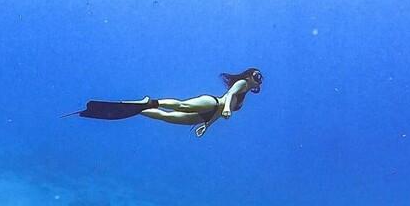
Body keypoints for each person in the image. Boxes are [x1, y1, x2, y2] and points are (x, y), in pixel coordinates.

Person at [65, 68, 263, 137]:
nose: (257, 79)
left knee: (166, 118)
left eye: (259, 79)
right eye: (256, 75)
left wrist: (207, 126)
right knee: (181, 106)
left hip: (209, 115)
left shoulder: (245, 95)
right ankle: (151, 101)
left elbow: (221, 114)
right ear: (249, 74)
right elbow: (228, 96)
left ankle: (139, 108)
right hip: (211, 104)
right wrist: (227, 108)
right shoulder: (242, 83)